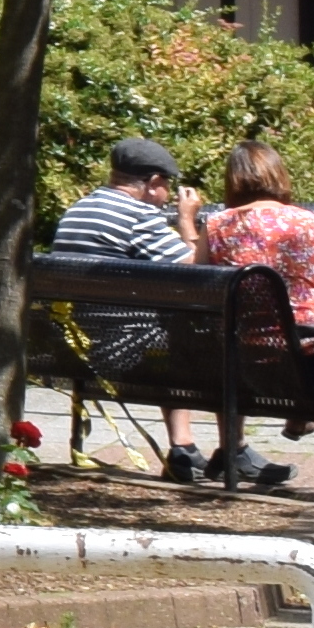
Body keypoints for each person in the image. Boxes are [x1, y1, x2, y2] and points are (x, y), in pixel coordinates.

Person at [196, 139, 314, 496]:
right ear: (277, 174)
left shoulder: (216, 224)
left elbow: (200, 290)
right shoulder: (307, 222)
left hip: (243, 363)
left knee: (234, 354)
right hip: (312, 360)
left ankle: (238, 443)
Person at [52, 134, 220, 480]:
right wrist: (187, 220)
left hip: (74, 346)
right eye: (166, 187)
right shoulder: (137, 215)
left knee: (174, 324)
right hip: (124, 351)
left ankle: (184, 447)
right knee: (205, 332)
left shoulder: (78, 209)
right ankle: (228, 448)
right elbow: (196, 272)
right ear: (154, 183)